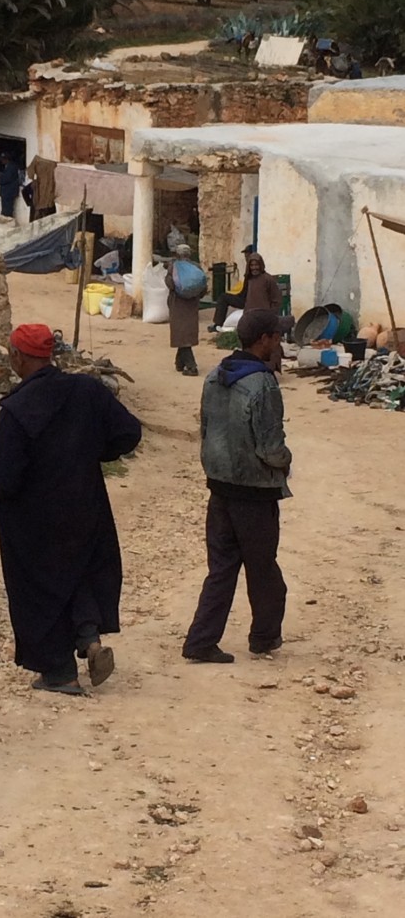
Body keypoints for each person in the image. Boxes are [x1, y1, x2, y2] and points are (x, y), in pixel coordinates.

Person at [0, 323, 142, 695]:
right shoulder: (86, 391)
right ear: (51, 354)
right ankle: (89, 638)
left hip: (35, 520)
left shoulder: (18, 410)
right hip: (85, 505)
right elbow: (128, 432)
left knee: (41, 588)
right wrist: (91, 454)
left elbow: (3, 480)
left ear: (17, 357)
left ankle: (59, 673)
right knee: (81, 569)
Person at [182, 309, 292, 664]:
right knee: (263, 570)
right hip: (255, 492)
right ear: (263, 340)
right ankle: (263, 637)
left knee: (222, 568)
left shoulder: (215, 376)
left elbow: (206, 429)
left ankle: (200, 640)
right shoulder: (263, 383)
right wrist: (286, 461)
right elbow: (270, 446)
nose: (279, 342)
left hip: (220, 487)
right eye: (276, 336)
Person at [208, 251, 280, 332]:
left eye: (256, 265)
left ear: (261, 265)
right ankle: (218, 324)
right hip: (247, 305)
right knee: (223, 297)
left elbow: (276, 299)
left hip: (262, 311)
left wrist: (272, 315)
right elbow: (244, 293)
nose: (254, 268)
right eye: (252, 265)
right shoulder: (249, 278)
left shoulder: (268, 279)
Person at [165, 244, 200, 376]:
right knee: (185, 334)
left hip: (178, 304)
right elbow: (202, 287)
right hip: (191, 305)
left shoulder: (174, 267)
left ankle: (192, 367)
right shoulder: (196, 266)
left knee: (182, 335)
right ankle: (179, 363)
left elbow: (170, 284)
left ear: (177, 254)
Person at [0, 152, 21, 222]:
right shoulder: (8, 166)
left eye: (3, 159)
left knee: (7, 209)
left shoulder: (11, 167)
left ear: (6, 159)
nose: (2, 161)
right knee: (5, 208)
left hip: (8, 192)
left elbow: (7, 178)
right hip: (7, 192)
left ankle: (7, 222)